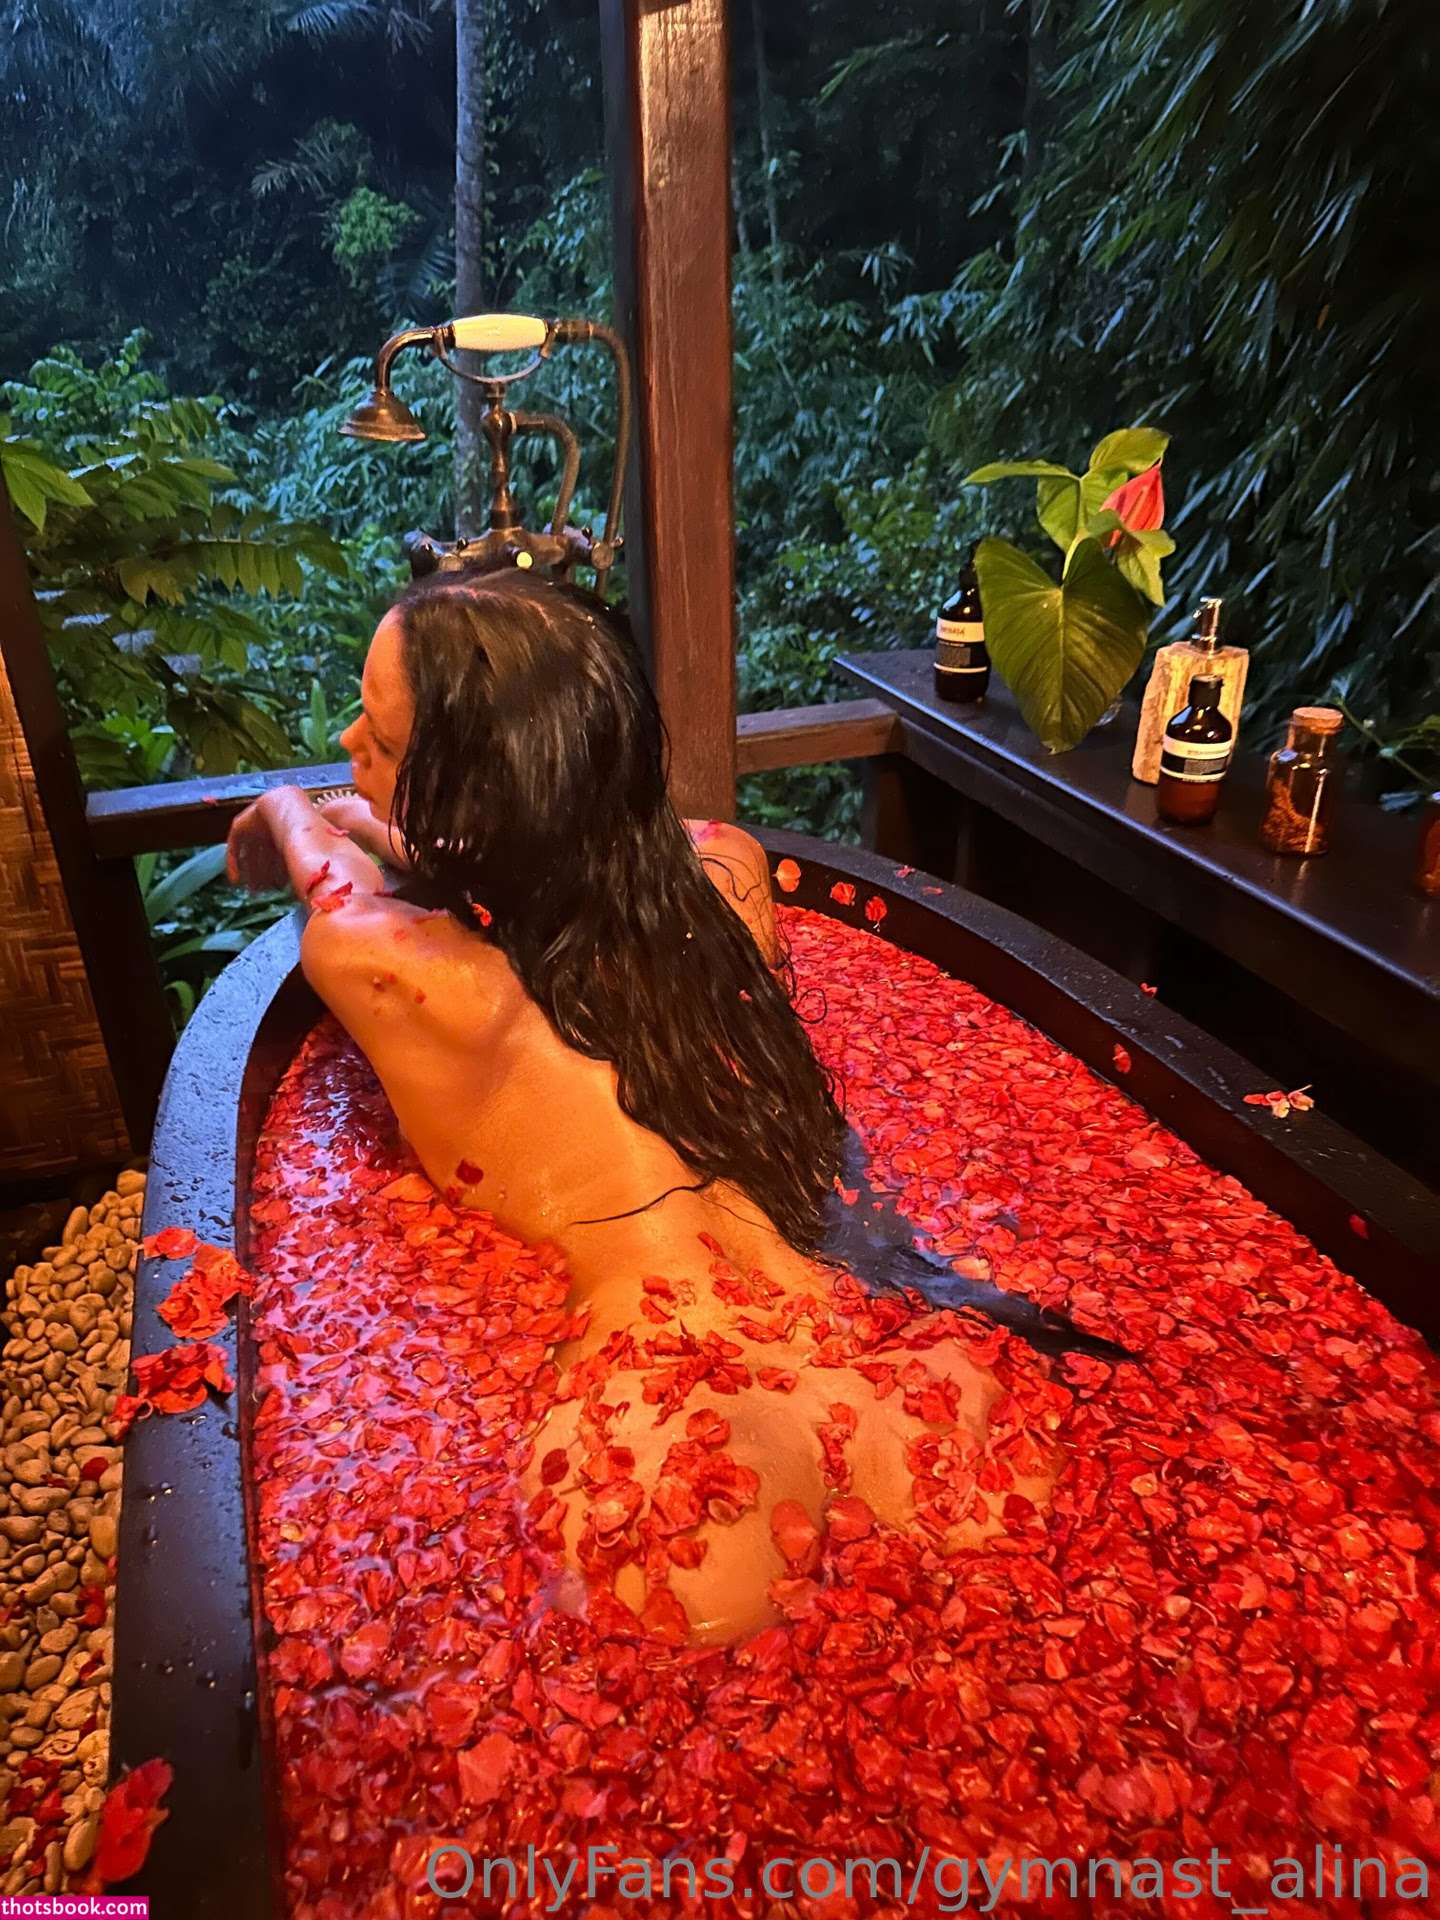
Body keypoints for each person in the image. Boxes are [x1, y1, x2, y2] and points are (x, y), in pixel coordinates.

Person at [226, 561, 1062, 1643]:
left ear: (476, 803)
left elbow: (327, 873)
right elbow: (580, 847)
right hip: (894, 1349)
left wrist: (291, 810)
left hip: (661, 1423)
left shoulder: (402, 975)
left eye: (377, 742)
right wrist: (394, 815)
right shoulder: (731, 878)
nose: (348, 742)